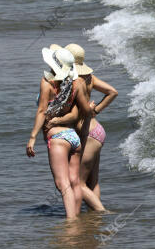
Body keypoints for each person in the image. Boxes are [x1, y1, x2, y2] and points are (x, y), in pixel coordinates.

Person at [27, 45, 94, 219]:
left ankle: (71, 222)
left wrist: (32, 138)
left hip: (57, 138)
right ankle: (77, 218)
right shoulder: (75, 84)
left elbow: (42, 111)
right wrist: (94, 107)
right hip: (73, 137)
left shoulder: (47, 83)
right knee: (74, 183)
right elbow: (84, 111)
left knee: (62, 184)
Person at [47, 44, 117, 211]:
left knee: (78, 182)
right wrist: (96, 111)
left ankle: (102, 212)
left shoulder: (74, 81)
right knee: (93, 182)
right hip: (98, 131)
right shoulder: (89, 78)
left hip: (88, 134)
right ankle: (93, 218)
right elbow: (112, 92)